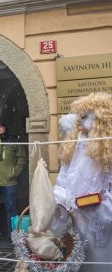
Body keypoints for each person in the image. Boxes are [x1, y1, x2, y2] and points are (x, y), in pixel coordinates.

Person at [54, 92, 112, 272]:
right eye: (79, 115)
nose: (79, 120)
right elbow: (63, 180)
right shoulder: (73, 145)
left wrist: (97, 205)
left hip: (101, 226)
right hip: (75, 224)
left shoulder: (107, 148)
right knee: (78, 263)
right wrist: (60, 200)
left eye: (85, 115)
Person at [0, 117, 27, 242]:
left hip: (9, 181)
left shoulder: (13, 141)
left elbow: (22, 158)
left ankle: (12, 235)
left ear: (5, 128)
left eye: (0, 126)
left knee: (11, 208)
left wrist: (14, 173)